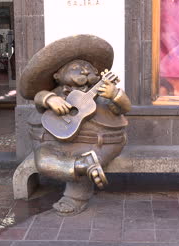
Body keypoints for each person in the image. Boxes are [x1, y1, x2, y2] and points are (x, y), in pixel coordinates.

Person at [20, 35, 131, 216]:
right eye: (75, 68)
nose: (84, 71)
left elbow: (125, 108)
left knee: (88, 156)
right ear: (57, 75)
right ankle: (84, 165)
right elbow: (37, 97)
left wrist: (116, 94)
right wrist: (49, 99)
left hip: (99, 142)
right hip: (53, 143)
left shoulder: (104, 91)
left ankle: (76, 196)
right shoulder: (55, 92)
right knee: (43, 161)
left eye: (88, 68)